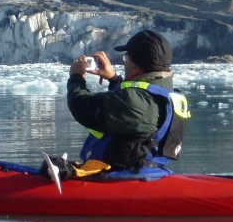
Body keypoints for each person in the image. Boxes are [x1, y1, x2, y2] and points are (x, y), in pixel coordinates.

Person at [66, 29, 190, 173]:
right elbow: (134, 108)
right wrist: (113, 79)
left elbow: (82, 106)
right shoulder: (169, 96)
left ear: (136, 66)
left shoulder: (137, 103)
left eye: (126, 58)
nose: (125, 63)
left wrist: (76, 77)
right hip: (153, 173)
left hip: (122, 177)